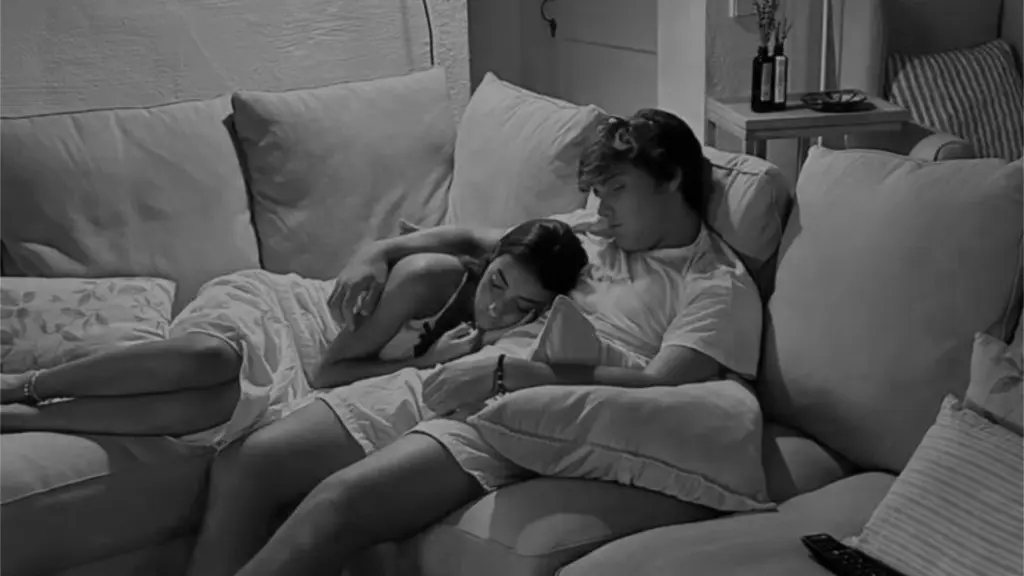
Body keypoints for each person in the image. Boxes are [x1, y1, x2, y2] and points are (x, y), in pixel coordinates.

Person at [185, 108, 765, 576]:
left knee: (338, 505)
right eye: (597, 192)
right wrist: (379, 252)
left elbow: (663, 385)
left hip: (526, 410)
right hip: (465, 370)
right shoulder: (592, 233)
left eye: (616, 189)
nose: (603, 207)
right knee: (248, 463)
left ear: (672, 178)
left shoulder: (714, 283)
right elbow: (476, 240)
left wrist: (508, 376)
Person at [0, 218, 588, 444]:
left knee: (216, 407)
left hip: (306, 374)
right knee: (213, 362)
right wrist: (426, 363)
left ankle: (23, 419)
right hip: (289, 318)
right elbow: (330, 369)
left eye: (521, 306)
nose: (497, 309)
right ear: (489, 261)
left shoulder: (517, 329)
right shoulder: (430, 276)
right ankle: (25, 384)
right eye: (497, 283)